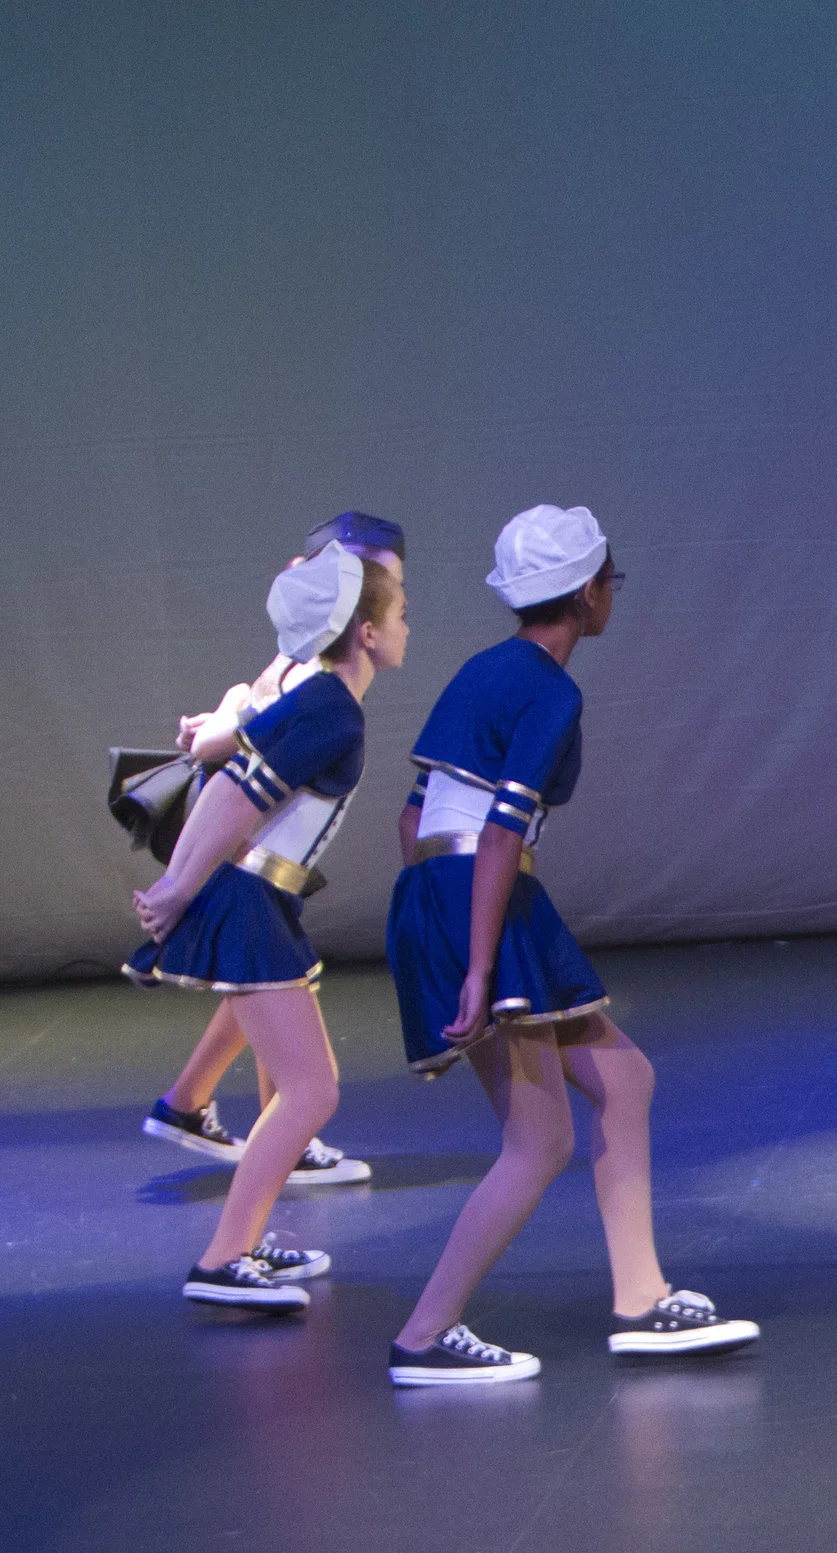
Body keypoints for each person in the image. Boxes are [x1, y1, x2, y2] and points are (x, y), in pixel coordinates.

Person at [384, 505, 757, 1385]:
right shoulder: (552, 690)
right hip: (487, 893)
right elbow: (502, 830)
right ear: (589, 592)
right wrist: (478, 962)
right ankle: (424, 1334)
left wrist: (438, 919)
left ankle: (641, 1296)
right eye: (609, 581)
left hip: (447, 891)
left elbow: (413, 816)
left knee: (624, 1079)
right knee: (539, 1139)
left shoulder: (482, 670)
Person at [125, 543, 407, 1309]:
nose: (407, 625)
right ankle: (222, 1258)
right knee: (311, 1091)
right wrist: (178, 886)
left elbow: (230, 771)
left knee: (301, 1086)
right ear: (367, 632)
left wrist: (182, 883)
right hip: (248, 901)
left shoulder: (322, 699)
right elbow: (232, 794)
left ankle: (242, 1240)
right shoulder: (330, 707)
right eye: (401, 612)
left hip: (262, 898)